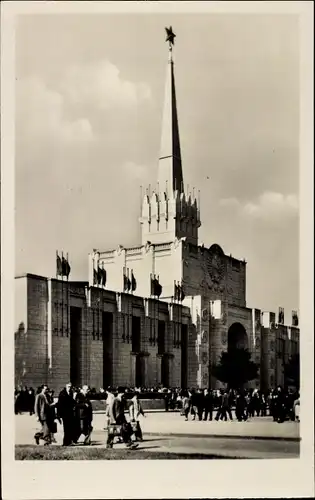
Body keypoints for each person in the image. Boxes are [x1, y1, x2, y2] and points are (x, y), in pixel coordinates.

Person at [57, 382, 76, 446]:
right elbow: (59, 404)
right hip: (65, 414)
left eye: (70, 387)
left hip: (70, 413)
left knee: (70, 427)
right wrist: (59, 415)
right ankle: (65, 442)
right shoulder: (62, 393)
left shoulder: (71, 393)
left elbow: (72, 401)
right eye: (68, 387)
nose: (69, 388)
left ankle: (69, 441)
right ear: (66, 386)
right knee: (66, 428)